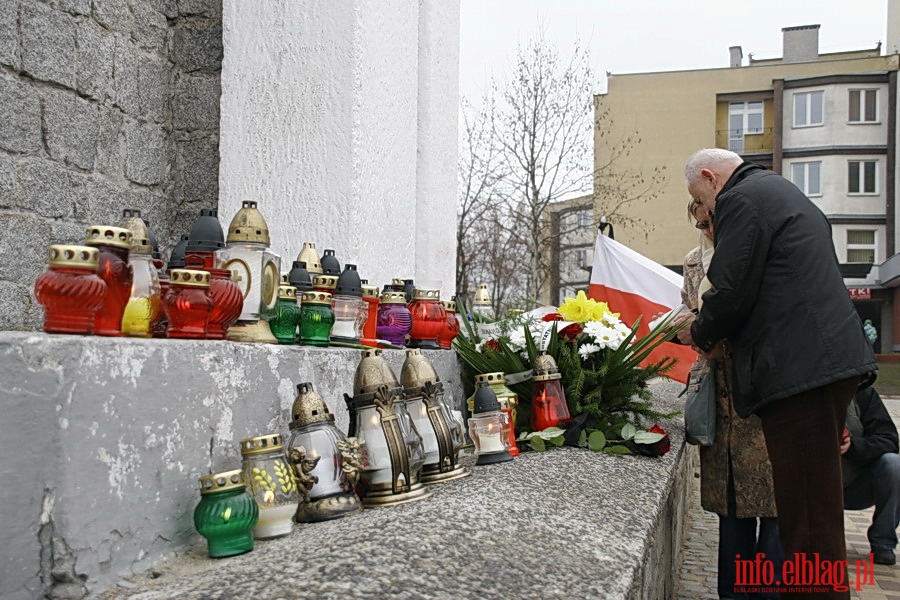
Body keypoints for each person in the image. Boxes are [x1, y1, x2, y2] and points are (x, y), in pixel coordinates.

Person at [676, 148, 876, 599]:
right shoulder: (780, 192)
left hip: (800, 373)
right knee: (816, 514)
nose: (706, 210)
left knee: (805, 519)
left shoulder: (742, 199)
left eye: (700, 197)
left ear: (710, 177)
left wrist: (700, 332)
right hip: (822, 365)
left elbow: (730, 290)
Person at [682, 199, 783, 599]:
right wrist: (684, 327)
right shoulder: (693, 261)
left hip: (762, 399)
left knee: (775, 513)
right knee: (731, 514)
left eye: (711, 222)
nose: (707, 230)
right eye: (700, 223)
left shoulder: (755, 251)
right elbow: (692, 312)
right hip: (719, 401)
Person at [842, 386, 900, 566]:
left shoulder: (861, 391)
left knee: (893, 464)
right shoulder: (802, 387)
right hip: (808, 487)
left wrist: (853, 447)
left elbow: (889, 440)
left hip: (854, 486)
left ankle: (883, 542)